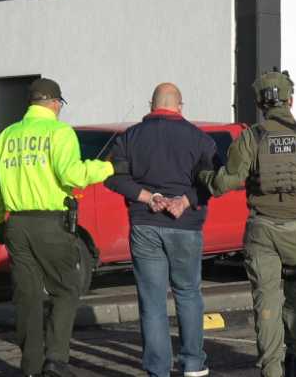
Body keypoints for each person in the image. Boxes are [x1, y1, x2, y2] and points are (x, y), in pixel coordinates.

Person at [200, 70, 296, 377]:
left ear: (261, 104)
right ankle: (295, 360)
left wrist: (203, 176)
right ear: (290, 99)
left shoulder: (252, 137)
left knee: (267, 302)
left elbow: (225, 183)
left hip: (262, 229)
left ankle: (272, 370)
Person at [0, 78, 123, 377]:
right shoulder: (59, 132)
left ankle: (31, 367)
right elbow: (72, 175)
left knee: (27, 298)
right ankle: (56, 360)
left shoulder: (6, 136)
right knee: (66, 288)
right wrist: (108, 167)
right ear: (56, 103)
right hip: (49, 222)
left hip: (16, 225)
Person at [104, 83, 214, 377]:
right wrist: (187, 200)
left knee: (152, 301)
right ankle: (193, 364)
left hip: (145, 223)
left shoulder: (130, 137)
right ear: (181, 105)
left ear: (150, 105)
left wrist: (147, 197)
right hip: (185, 226)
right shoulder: (199, 138)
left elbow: (112, 178)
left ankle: (158, 370)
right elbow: (217, 179)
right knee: (188, 293)